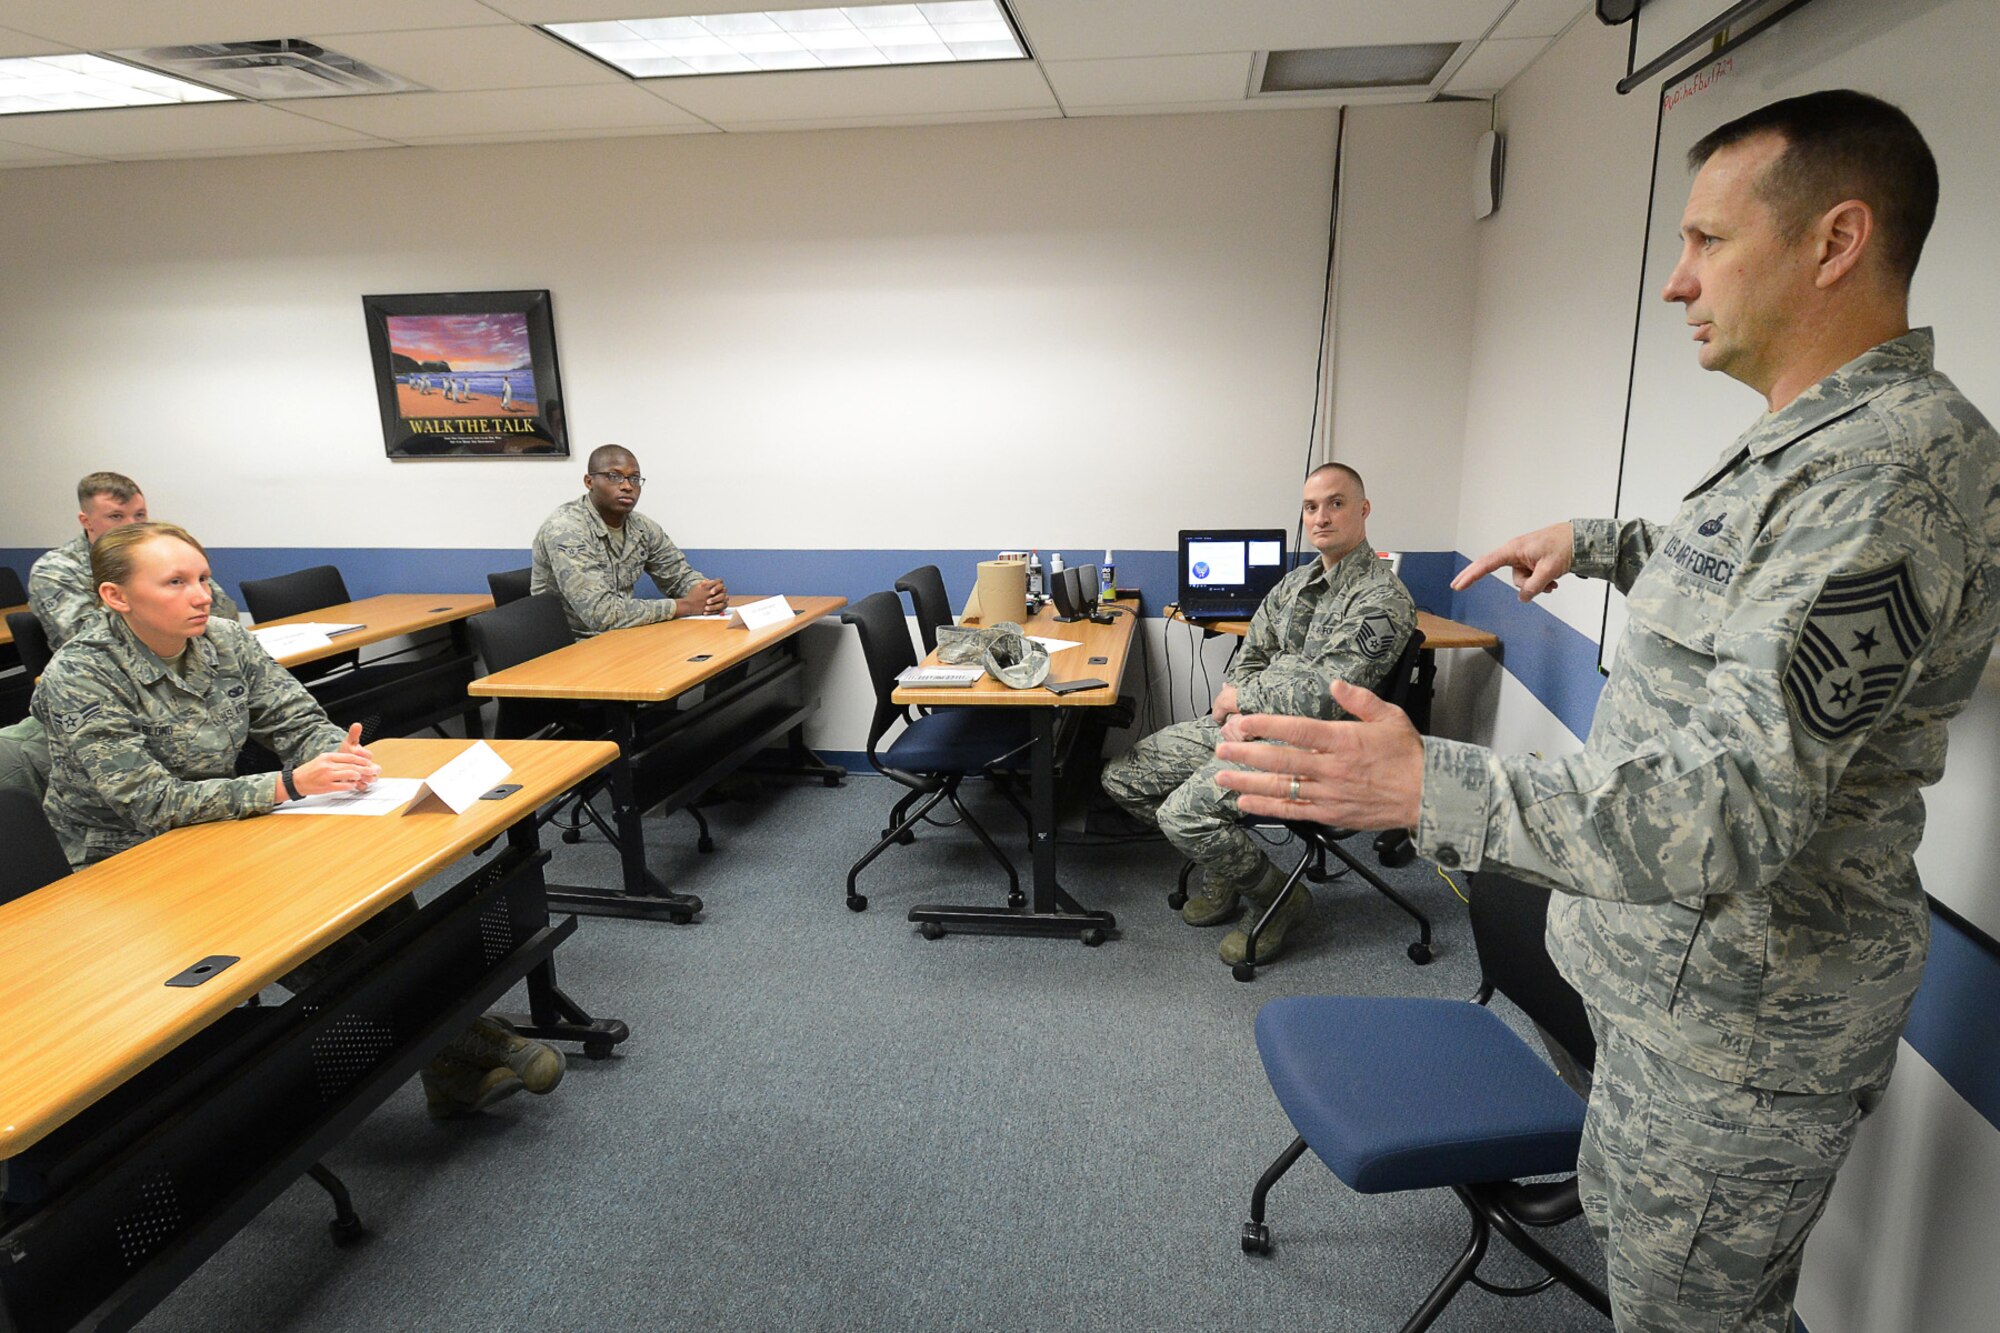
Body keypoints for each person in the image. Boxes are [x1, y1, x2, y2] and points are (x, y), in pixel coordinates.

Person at [1215, 92, 1999, 1332]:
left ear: (1832, 242)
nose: (1677, 282)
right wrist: (1595, 544)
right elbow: (1735, 571)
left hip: (1739, 1034)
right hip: (1667, 994)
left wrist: (1435, 787)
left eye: (1705, 241)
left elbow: (1732, 801)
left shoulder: (1885, 477)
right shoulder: (1806, 450)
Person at [34, 522, 567, 1120]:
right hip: (128, 860)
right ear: (116, 597)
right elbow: (150, 802)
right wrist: (287, 784)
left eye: (204, 577)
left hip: (221, 827)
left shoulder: (224, 641)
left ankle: (445, 1063)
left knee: (374, 896)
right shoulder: (80, 675)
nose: (201, 594)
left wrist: (336, 754)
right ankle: (470, 1040)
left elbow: (295, 719)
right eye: (176, 582)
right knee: (301, 926)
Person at [1101, 463, 1414, 965]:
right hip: (1251, 724)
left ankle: (1280, 897)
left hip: (1314, 746)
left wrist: (1242, 702)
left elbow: (1329, 694)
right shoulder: (1292, 585)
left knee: (1181, 814)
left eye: (1335, 504)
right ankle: (1226, 861)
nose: (1321, 518)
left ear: (1363, 509)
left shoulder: (1382, 600)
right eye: (1311, 507)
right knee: (1123, 777)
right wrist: (1234, 706)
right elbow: (1252, 653)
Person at [0, 472, 241, 800]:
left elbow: (222, 617)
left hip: (175, 689)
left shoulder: (163, 558)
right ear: (87, 520)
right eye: (116, 516)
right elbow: (97, 637)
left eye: (139, 515)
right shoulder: (57, 568)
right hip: (101, 698)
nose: (133, 525)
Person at [531, 443, 728, 638]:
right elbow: (601, 614)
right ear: (589, 481)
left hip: (619, 638)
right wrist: (685, 605)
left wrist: (707, 593)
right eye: (614, 476)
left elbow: (678, 576)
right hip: (566, 646)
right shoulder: (566, 529)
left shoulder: (642, 527)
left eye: (634, 478)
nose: (627, 486)